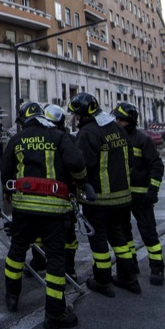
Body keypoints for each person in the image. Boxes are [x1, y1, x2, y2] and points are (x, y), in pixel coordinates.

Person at [1, 101, 86, 329]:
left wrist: (8, 192)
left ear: (23, 120)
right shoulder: (58, 136)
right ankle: (55, 314)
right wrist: (80, 182)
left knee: (17, 251)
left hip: (23, 208)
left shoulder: (17, 139)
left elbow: (6, 170)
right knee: (55, 258)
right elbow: (77, 163)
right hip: (54, 209)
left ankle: (12, 296)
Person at [68, 92, 138, 296]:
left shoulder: (88, 133)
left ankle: (102, 280)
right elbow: (130, 159)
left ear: (83, 114)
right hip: (122, 197)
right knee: (118, 237)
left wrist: (77, 185)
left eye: (76, 115)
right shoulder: (116, 127)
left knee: (98, 241)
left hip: (99, 199)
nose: (75, 118)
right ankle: (128, 278)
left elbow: (82, 165)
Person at [26, 104, 83, 282]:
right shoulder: (63, 139)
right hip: (50, 193)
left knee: (66, 233)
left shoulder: (62, 140)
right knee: (41, 232)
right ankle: (40, 261)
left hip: (60, 193)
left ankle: (68, 268)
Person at [114, 102, 165, 286]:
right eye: (116, 119)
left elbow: (157, 166)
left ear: (130, 121)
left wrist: (153, 190)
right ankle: (130, 265)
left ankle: (157, 268)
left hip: (141, 196)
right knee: (124, 233)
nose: (117, 122)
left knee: (148, 233)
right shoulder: (116, 139)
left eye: (120, 119)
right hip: (122, 196)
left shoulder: (143, 140)